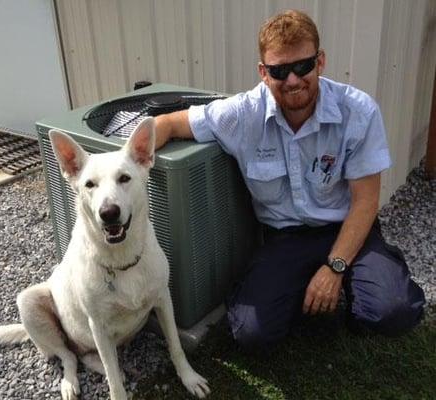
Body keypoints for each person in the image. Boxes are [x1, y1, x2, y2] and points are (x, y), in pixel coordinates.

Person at [154, 9, 425, 348]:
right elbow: (166, 124)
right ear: (263, 73)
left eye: (303, 66)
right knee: (252, 333)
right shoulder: (241, 114)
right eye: (280, 70)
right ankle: (290, 288)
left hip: (347, 226)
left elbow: (366, 202)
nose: (293, 80)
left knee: (393, 310)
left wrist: (335, 267)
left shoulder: (358, 112)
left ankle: (367, 280)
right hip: (286, 238)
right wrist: (123, 159)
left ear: (321, 61)